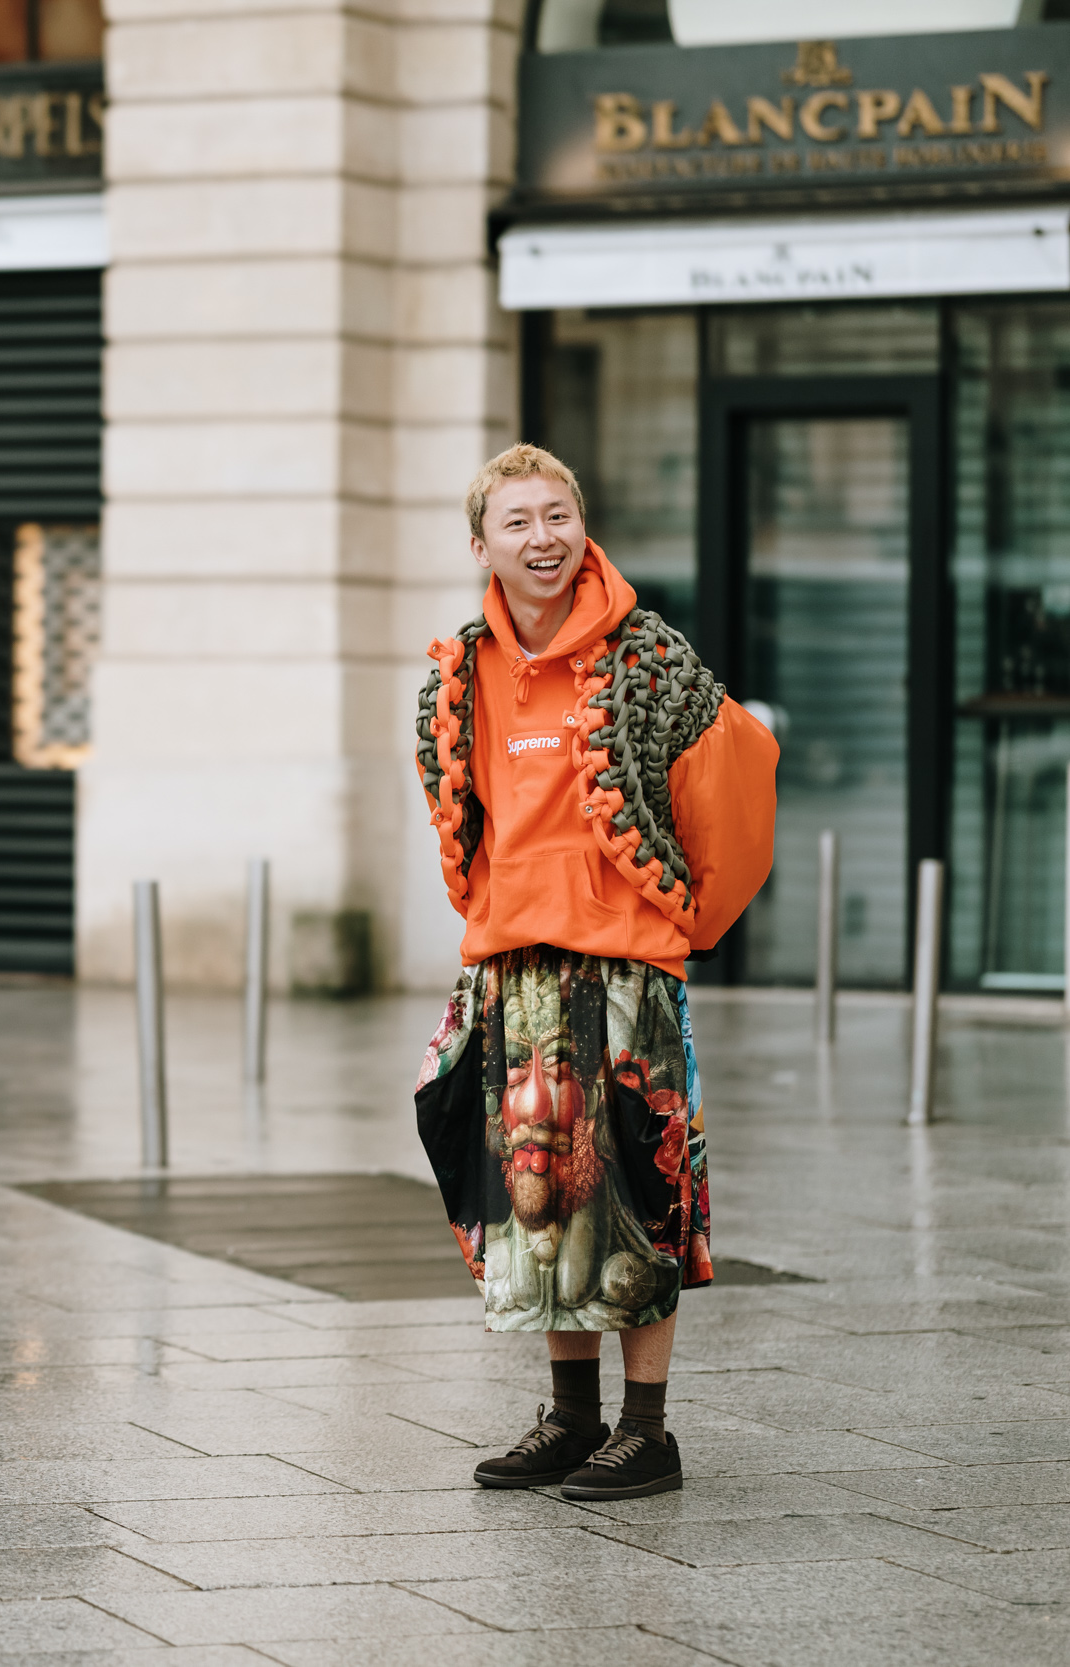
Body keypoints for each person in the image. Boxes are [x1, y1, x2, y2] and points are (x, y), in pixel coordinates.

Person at [411, 444, 778, 1501]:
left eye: (557, 514)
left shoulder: (648, 657)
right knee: (540, 1205)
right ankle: (570, 1418)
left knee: (640, 1196)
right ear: (481, 543)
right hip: (512, 972)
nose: (542, 537)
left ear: (583, 524)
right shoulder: (453, 674)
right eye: (517, 520)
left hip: (623, 976)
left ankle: (647, 1429)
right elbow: (459, 818)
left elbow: (736, 780)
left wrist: (682, 922)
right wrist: (492, 919)